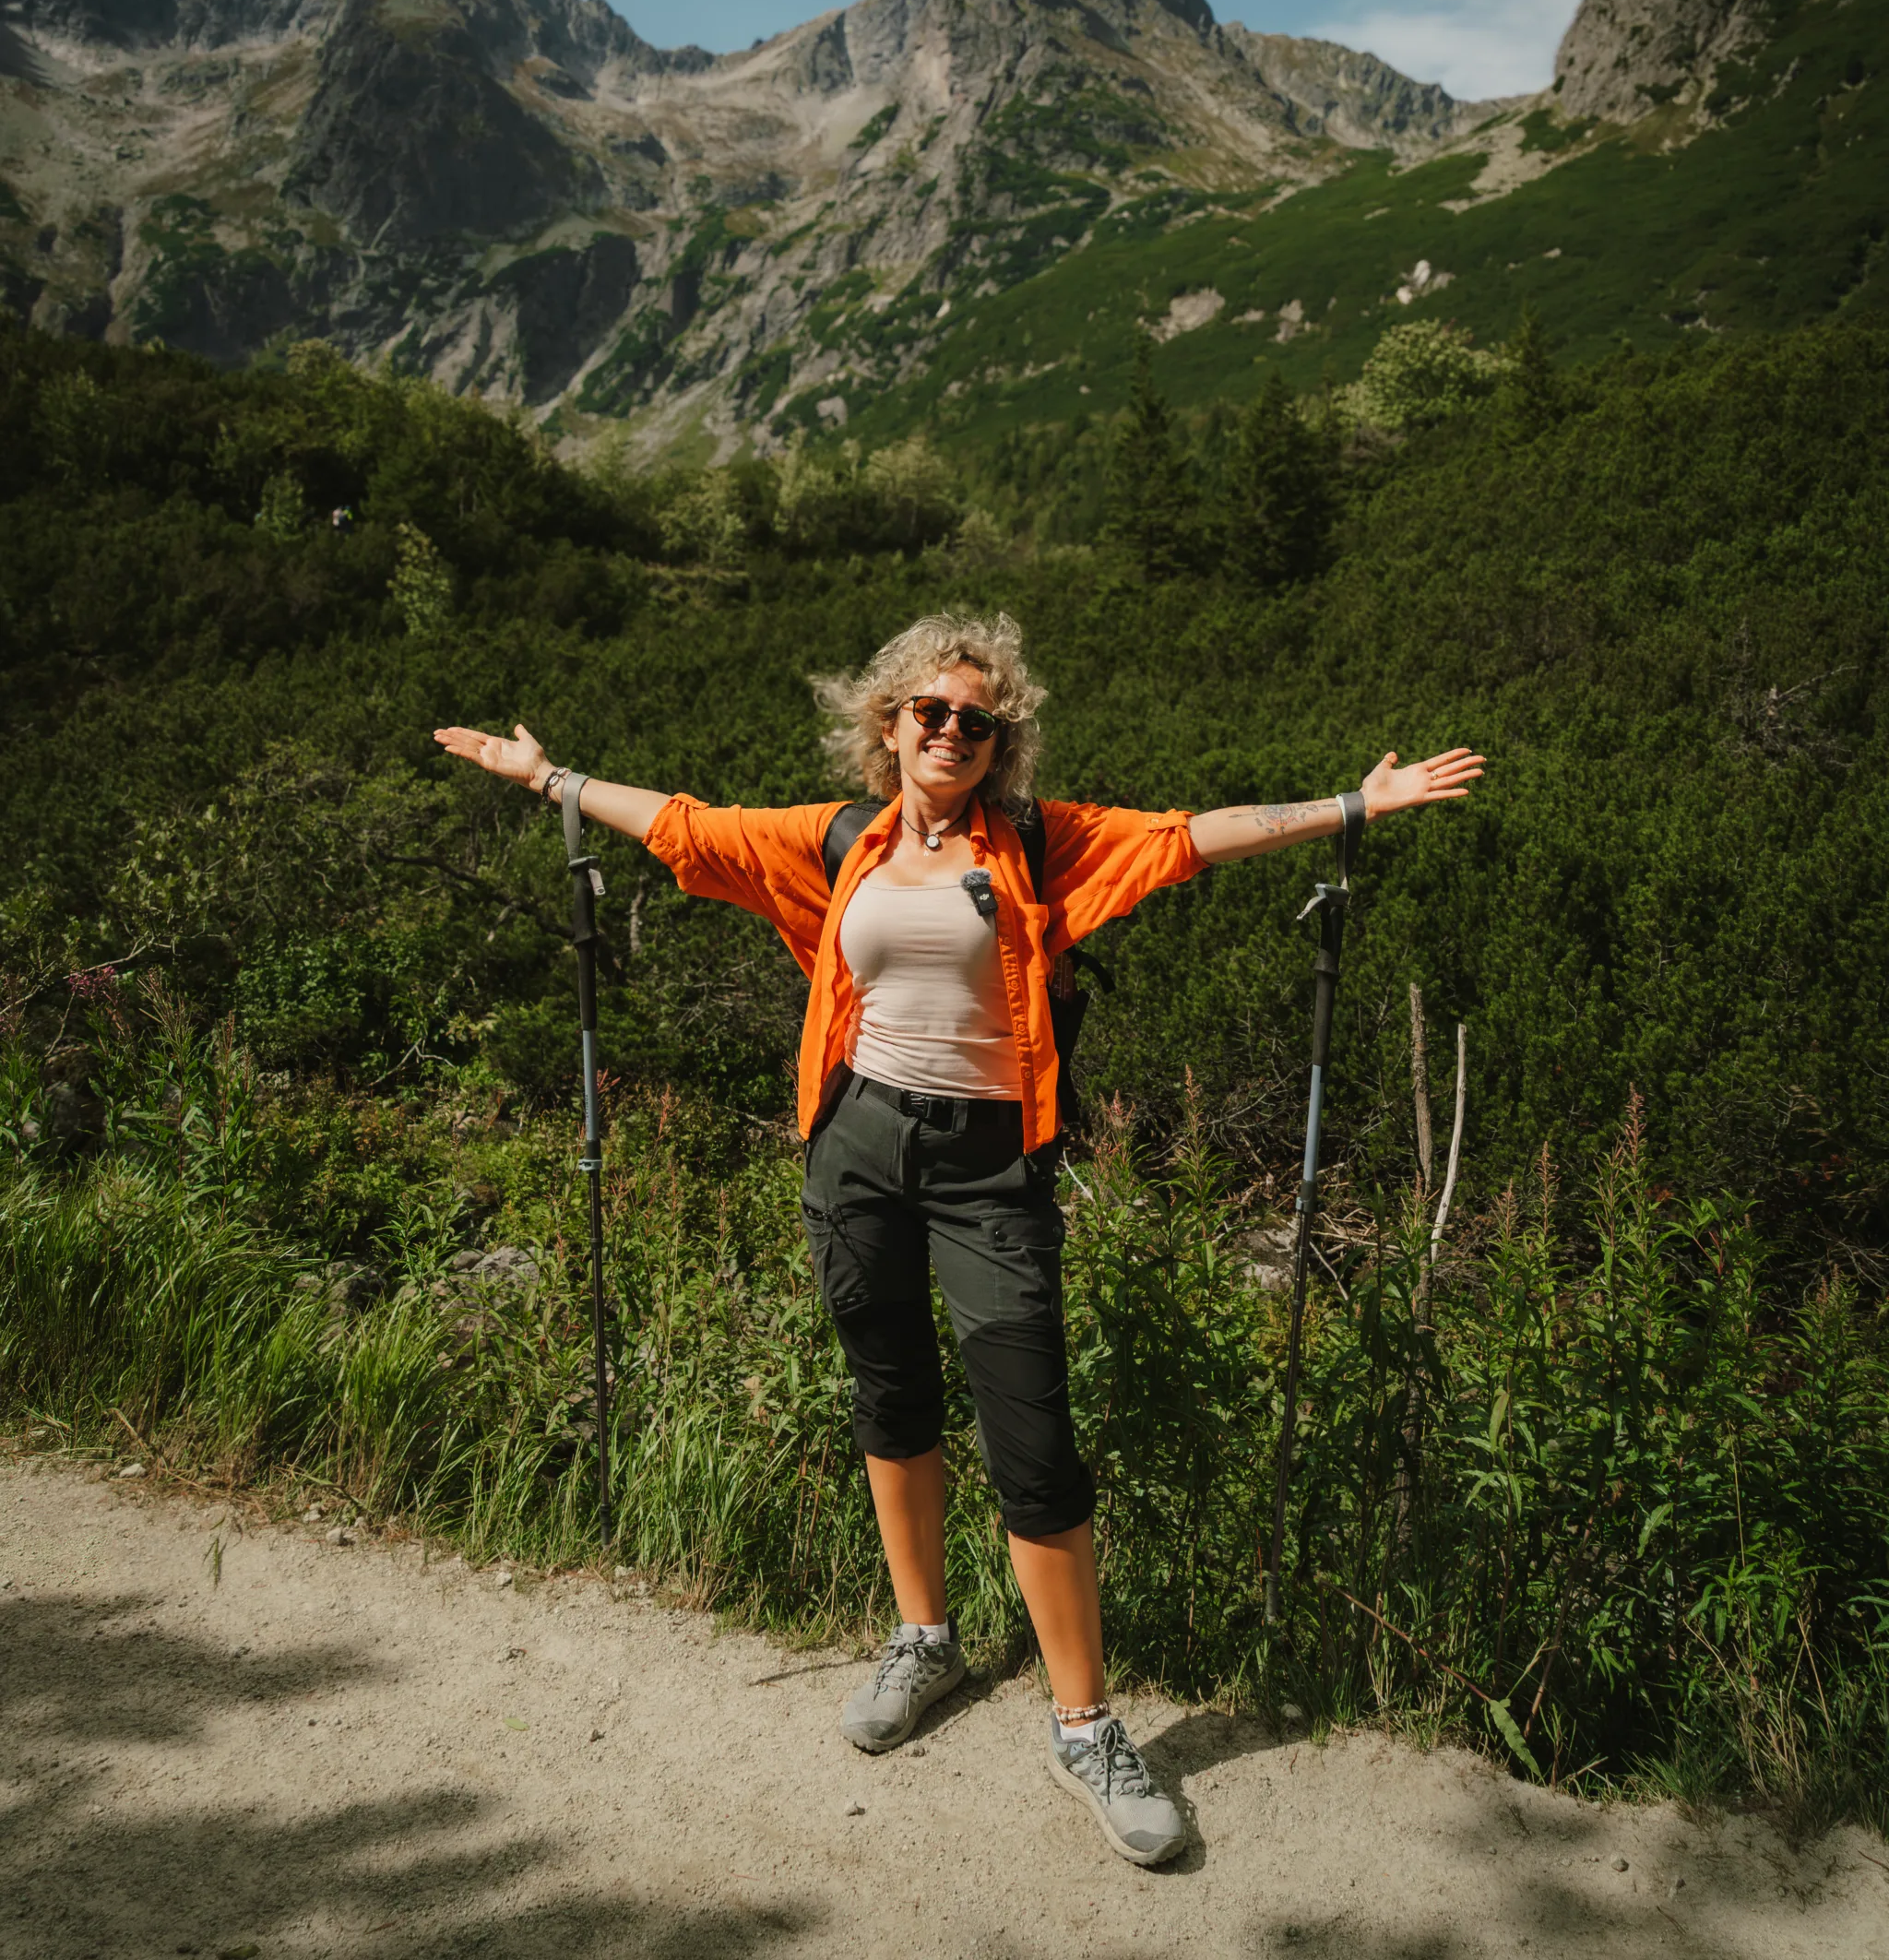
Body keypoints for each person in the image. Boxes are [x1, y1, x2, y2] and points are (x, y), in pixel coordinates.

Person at [434, 610, 1483, 1869]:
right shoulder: (840, 841)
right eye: (930, 712)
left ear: (1001, 742)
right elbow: (686, 828)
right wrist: (546, 777)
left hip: (991, 1167)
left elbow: (1187, 837)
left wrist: (1350, 807)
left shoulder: (1038, 842)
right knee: (891, 1397)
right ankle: (923, 1639)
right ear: (888, 726)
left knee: (1032, 1440)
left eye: (977, 720)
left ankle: (1085, 1725)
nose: (951, 731)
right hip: (857, 1142)